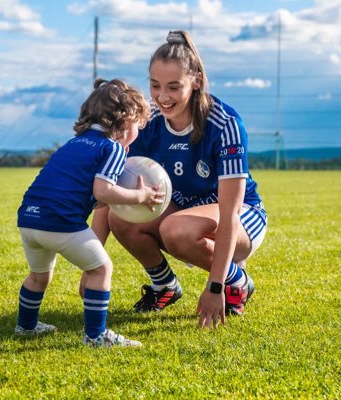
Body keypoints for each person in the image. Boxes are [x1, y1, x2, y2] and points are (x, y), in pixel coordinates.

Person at [100, 30, 268, 329]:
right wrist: (92, 264)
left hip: (241, 218)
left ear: (197, 81)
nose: (162, 97)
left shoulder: (224, 123)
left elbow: (229, 213)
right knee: (120, 216)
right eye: (155, 85)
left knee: (175, 227)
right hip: (182, 211)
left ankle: (237, 281)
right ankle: (164, 286)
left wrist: (216, 286)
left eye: (174, 87)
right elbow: (109, 191)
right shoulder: (147, 122)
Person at [15, 78, 165, 347]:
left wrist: (100, 201)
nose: (138, 133)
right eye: (138, 126)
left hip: (29, 218)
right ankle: (96, 336)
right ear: (126, 122)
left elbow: (79, 189)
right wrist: (140, 196)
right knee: (101, 268)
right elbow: (103, 191)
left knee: (39, 276)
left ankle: (25, 326)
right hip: (60, 221)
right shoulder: (113, 147)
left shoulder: (74, 143)